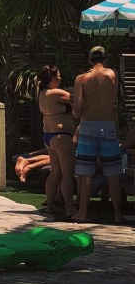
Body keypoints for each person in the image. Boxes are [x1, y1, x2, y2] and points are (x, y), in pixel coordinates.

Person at [73, 45, 125, 224]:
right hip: (108, 125)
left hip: (88, 125)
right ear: (105, 59)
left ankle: (82, 213)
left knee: (86, 172)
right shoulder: (113, 75)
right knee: (113, 172)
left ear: (90, 60)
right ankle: (117, 214)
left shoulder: (81, 79)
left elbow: (77, 109)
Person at [37, 64, 76, 218]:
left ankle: (50, 205)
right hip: (61, 137)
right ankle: (70, 208)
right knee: (67, 174)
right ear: (52, 78)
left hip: (49, 136)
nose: (60, 78)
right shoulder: (55, 93)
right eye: (58, 76)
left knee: (55, 173)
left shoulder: (42, 93)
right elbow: (77, 99)